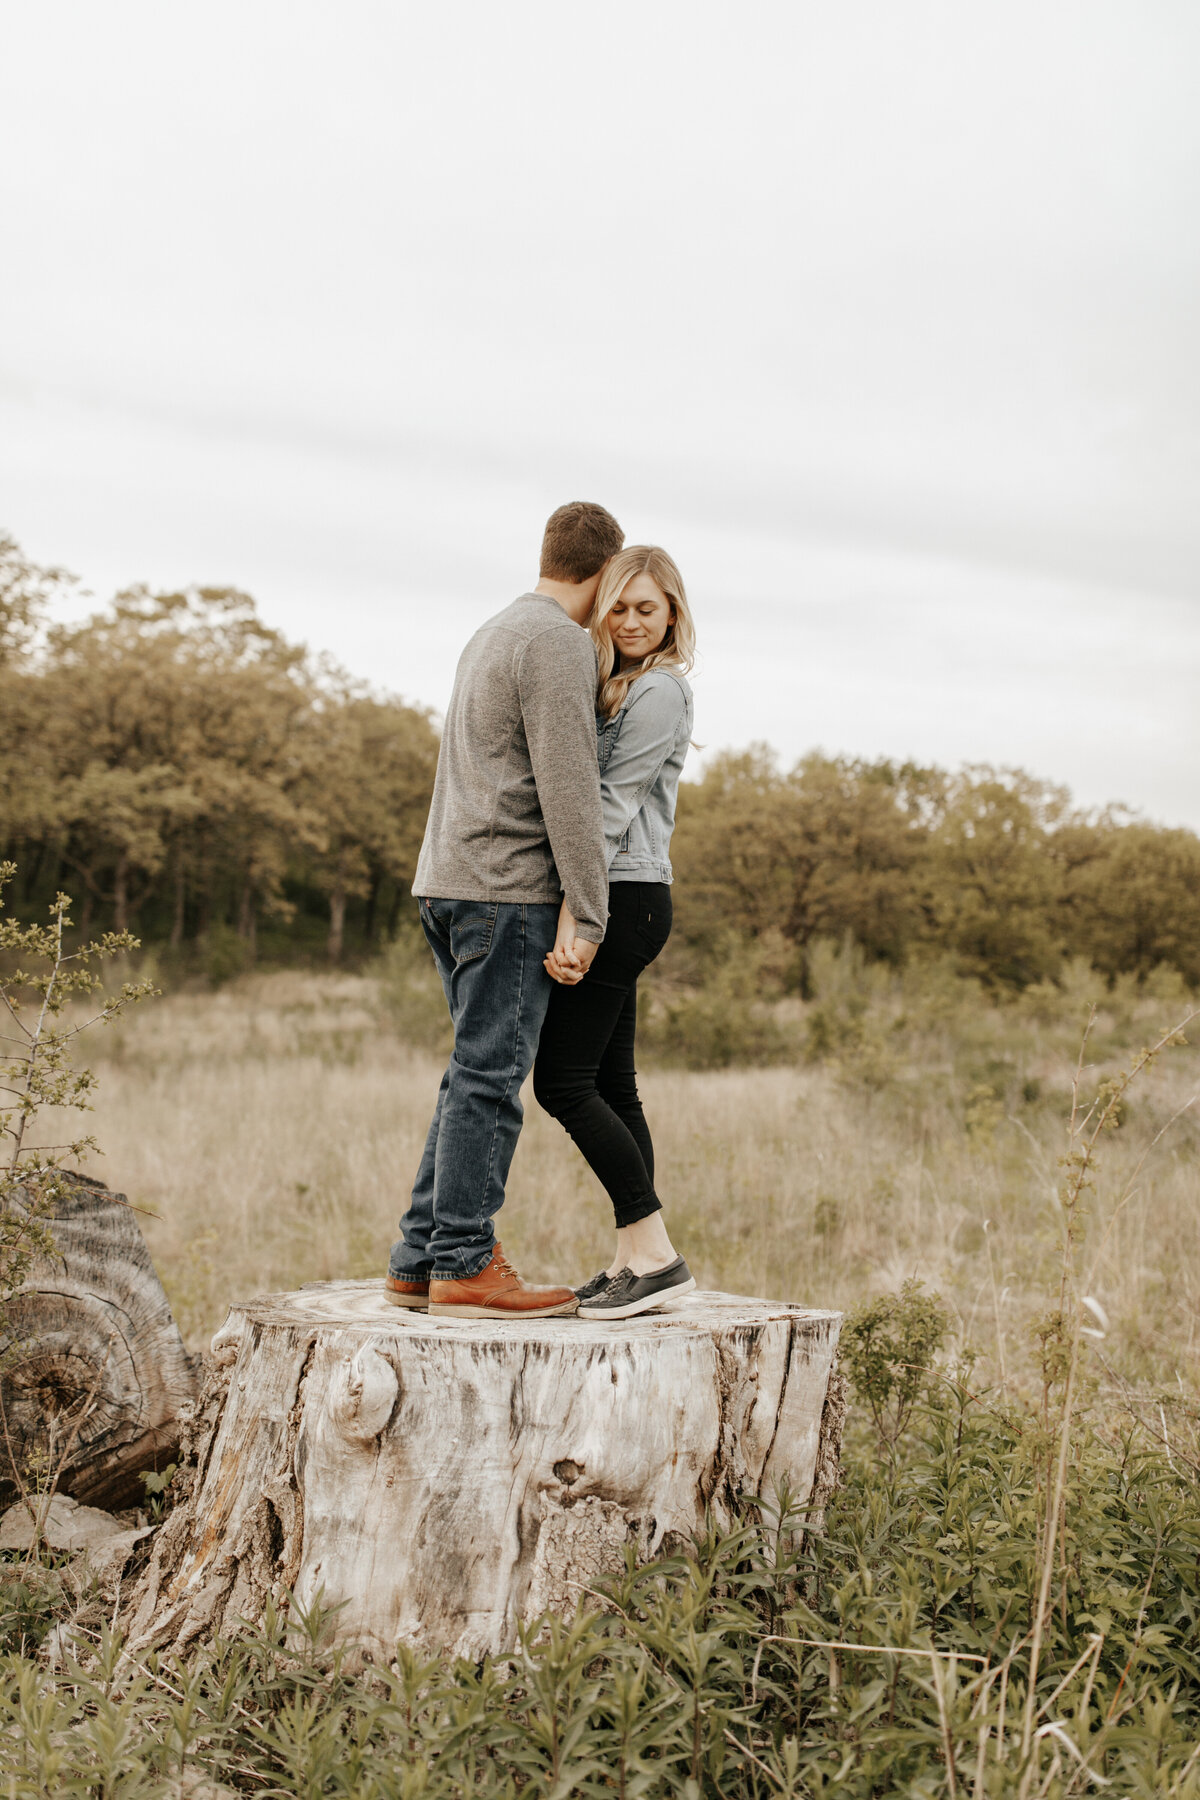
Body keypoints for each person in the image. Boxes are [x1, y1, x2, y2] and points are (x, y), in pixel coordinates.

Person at [386, 501, 624, 1319]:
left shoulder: (493, 629)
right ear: (606, 571)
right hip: (505, 889)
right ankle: (463, 1261)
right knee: (490, 1079)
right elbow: (568, 786)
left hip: (448, 880)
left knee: (469, 1075)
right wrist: (589, 913)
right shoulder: (557, 644)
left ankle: (419, 1260)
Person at [532, 545, 697, 1320]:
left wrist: (577, 916)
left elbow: (608, 806)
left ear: (672, 616)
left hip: (621, 898)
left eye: (647, 609)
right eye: (620, 608)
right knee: (611, 1084)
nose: (631, 621)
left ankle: (657, 1253)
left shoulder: (659, 693)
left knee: (561, 1082)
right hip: (620, 892)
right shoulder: (617, 686)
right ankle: (636, 1259)